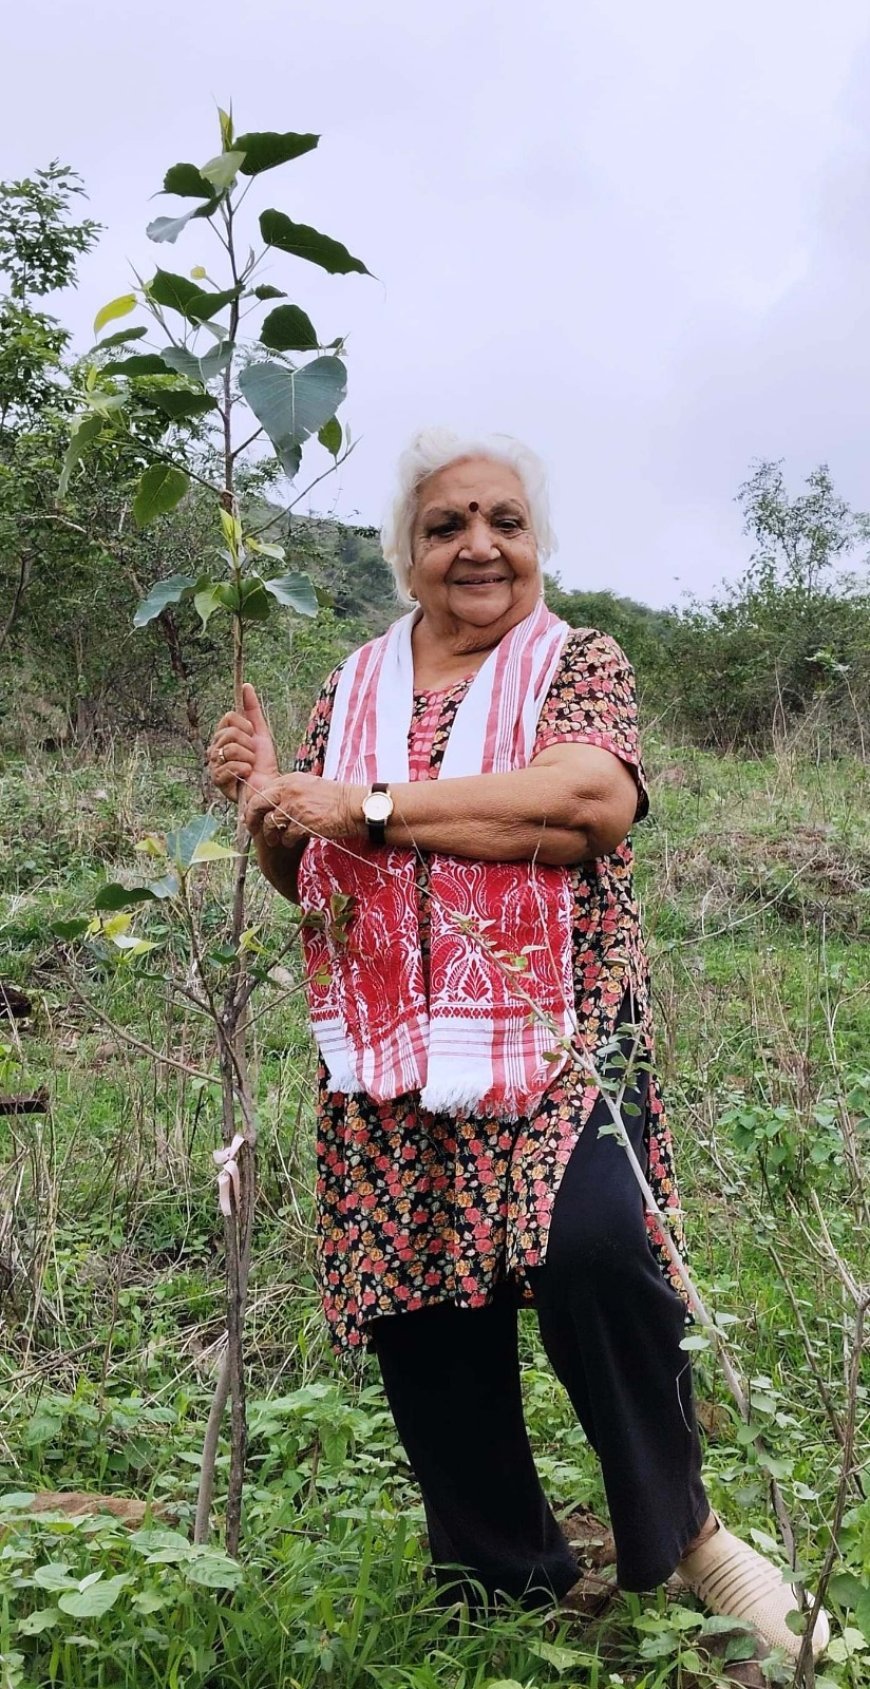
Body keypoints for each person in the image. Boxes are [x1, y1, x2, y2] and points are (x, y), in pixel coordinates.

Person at [207, 429, 829, 1662]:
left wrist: (368, 805)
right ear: (408, 557)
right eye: (447, 527)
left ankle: (687, 1532)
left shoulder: (577, 663)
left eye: (505, 521)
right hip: (393, 1050)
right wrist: (272, 810)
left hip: (563, 1035)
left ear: (536, 545)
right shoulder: (355, 687)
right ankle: (506, 1577)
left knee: (597, 1247)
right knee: (428, 1306)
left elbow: (587, 805)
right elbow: (319, 883)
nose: (479, 545)